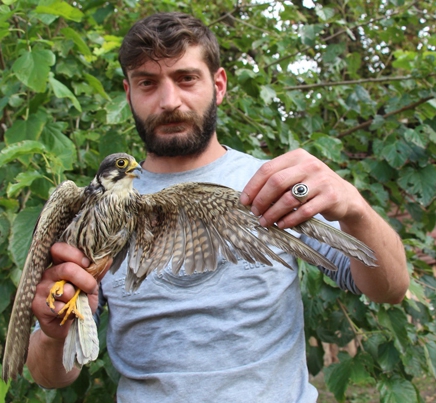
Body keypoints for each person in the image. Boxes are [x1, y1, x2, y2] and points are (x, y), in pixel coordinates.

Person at [25, 12, 409, 402]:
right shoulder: (94, 209)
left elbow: (390, 288)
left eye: (186, 78)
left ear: (219, 84)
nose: (169, 101)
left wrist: (356, 210)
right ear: (129, 93)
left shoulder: (276, 184)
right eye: (148, 83)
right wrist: (55, 334)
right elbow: (48, 374)